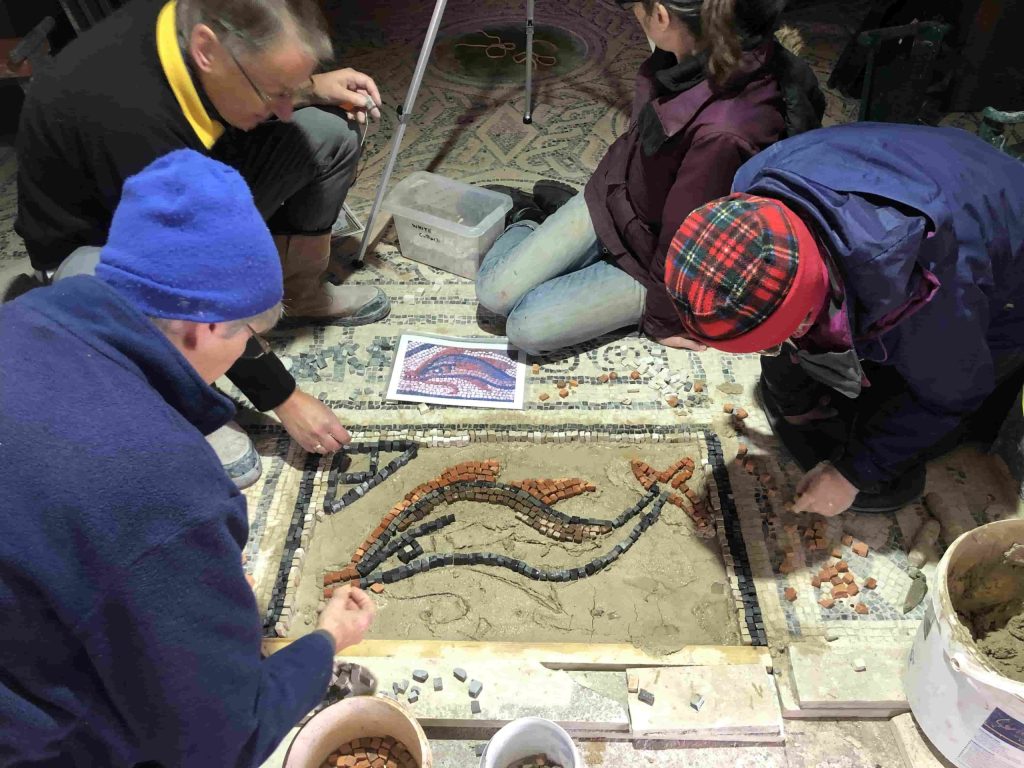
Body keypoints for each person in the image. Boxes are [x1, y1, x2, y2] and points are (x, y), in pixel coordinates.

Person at [0, 150, 375, 765]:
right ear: (206, 328)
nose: (247, 350)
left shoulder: (23, 316)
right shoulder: (169, 494)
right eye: (249, 337)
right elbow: (222, 742)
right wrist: (325, 643)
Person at [15, 0, 388, 486]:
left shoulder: (191, 21)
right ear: (208, 51)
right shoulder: (129, 117)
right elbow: (186, 276)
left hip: (191, 183)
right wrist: (284, 397)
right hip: (99, 252)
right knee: (153, 304)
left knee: (326, 132)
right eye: (273, 90)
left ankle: (302, 291)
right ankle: (184, 395)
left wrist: (306, 88)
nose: (281, 107)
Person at [664, 122, 1024, 516]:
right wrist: (792, 383)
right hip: (940, 160)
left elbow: (953, 395)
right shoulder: (753, 190)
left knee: (933, 420)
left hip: (1004, 252)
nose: (770, 351)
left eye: (773, 341)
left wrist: (853, 474)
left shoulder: (928, 292)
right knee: (817, 373)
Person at [475, 0, 824, 355]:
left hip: (654, 256)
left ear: (660, 15)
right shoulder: (700, 49)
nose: (634, 16)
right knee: (493, 293)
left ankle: (545, 222)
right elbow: (637, 141)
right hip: (620, 197)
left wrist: (663, 319)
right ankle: (528, 217)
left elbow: (684, 238)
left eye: (636, 9)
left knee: (527, 327)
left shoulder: (724, 132)